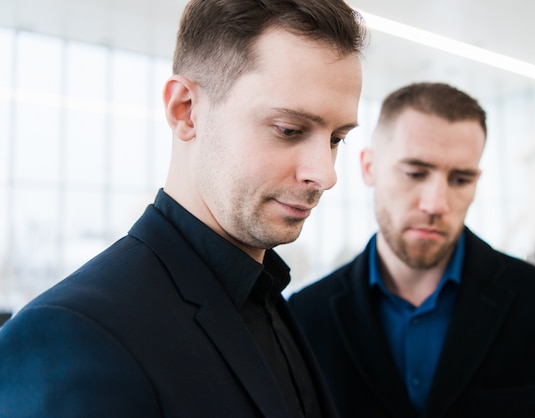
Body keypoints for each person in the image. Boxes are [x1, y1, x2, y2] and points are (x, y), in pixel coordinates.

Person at [0, 0, 365, 416]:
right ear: (185, 111)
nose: (325, 173)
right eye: (289, 130)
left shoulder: (268, 302)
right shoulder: (71, 336)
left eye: (336, 138)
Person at [288, 82, 535, 418]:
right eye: (415, 173)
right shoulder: (305, 317)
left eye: (460, 180)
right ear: (369, 167)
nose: (436, 204)